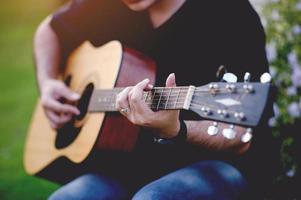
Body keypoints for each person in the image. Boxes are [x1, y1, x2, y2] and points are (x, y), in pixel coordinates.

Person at [34, 0, 277, 199]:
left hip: (214, 164)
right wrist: (47, 83)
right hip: (122, 165)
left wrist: (177, 129)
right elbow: (49, 30)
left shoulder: (228, 13)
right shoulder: (106, 5)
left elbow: (242, 138)